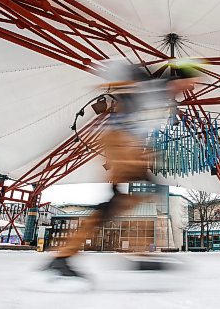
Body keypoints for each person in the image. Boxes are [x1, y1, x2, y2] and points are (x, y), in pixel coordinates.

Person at [45, 60, 199, 278]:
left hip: (127, 146)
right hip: (121, 144)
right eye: (190, 83)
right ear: (180, 80)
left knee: (122, 202)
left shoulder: (160, 95)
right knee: (135, 196)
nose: (190, 88)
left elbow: (138, 120)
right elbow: (126, 83)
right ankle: (137, 256)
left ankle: (65, 256)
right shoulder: (155, 88)